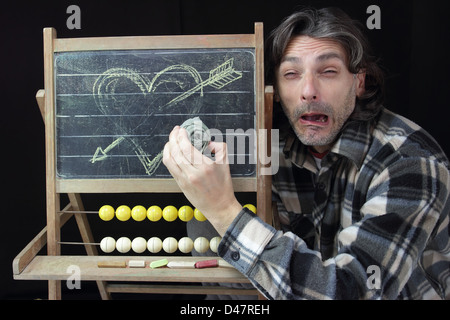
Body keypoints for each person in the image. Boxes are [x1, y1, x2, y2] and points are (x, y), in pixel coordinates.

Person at [163, 7, 450, 299]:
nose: (308, 91)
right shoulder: (267, 150)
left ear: (359, 82)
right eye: (291, 73)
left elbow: (353, 291)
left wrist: (223, 211)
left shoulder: (410, 162)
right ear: (275, 88)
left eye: (328, 71)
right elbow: (232, 285)